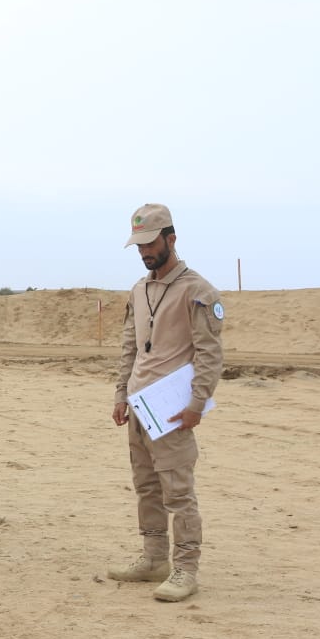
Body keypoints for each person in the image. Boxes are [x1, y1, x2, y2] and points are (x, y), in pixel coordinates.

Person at [108, 203, 223, 602]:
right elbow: (130, 347)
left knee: (178, 492)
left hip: (173, 411)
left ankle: (186, 569)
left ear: (171, 239)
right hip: (140, 406)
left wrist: (196, 403)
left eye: (150, 243)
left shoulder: (198, 291)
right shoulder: (139, 289)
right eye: (138, 245)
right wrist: (121, 393)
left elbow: (209, 353)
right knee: (147, 488)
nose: (144, 252)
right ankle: (154, 557)